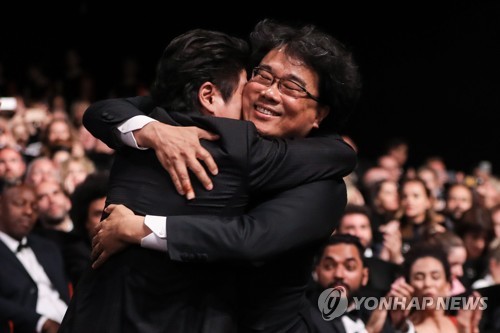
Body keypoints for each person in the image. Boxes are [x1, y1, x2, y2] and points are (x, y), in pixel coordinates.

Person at [62, 21, 360, 333]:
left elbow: (252, 239)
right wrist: (153, 131)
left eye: (291, 87)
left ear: (319, 115)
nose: (270, 92)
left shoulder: (323, 184)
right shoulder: (198, 130)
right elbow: (105, 111)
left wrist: (139, 227)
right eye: (264, 75)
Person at [0, 184, 70, 333]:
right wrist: (40, 322)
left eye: (35, 207)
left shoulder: (48, 248)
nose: (28, 211)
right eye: (20, 204)